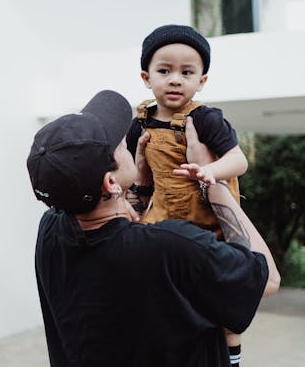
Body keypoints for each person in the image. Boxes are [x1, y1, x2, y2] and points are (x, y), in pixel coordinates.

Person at [27, 90, 279, 367]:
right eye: (122, 147)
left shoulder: (50, 232)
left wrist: (140, 186)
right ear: (110, 182)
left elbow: (111, 223)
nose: (128, 145)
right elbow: (266, 279)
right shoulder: (172, 247)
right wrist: (212, 180)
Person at [128, 24, 250, 364]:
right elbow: (143, 179)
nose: (175, 79)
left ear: (202, 81)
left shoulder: (206, 118)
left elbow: (238, 160)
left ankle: (232, 357)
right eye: (164, 71)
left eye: (187, 72)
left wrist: (210, 171)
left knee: (226, 303)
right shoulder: (140, 123)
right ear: (146, 76)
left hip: (210, 222)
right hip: (164, 218)